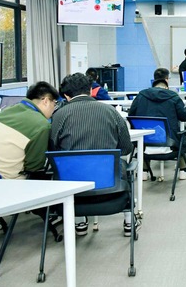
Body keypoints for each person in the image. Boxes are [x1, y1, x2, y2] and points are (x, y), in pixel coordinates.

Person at [50, 73, 134, 236]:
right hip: (110, 185)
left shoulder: (59, 115)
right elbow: (126, 148)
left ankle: (79, 222)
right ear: (90, 90)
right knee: (123, 166)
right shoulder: (111, 112)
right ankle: (129, 221)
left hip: (72, 185)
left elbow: (53, 149)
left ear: (66, 95)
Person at [0, 81, 59, 180]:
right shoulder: (41, 124)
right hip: (3, 181)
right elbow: (34, 167)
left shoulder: (6, 111)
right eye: (54, 103)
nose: (54, 108)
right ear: (46, 101)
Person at [128, 68, 186, 180]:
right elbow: (184, 117)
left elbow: (131, 116)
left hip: (145, 143)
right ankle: (182, 171)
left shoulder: (141, 96)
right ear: (166, 80)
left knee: (145, 133)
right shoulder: (173, 96)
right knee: (183, 135)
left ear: (154, 80)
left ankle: (144, 171)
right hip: (170, 142)